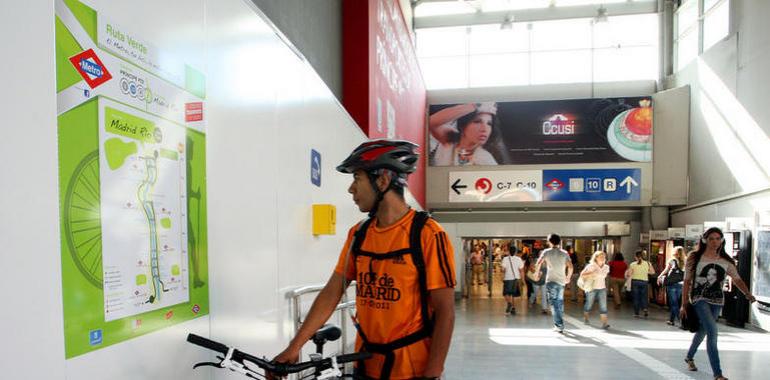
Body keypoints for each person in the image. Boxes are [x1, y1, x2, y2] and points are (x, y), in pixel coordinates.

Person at [271, 139, 456, 380]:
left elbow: (445, 311)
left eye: (357, 178)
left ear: (382, 180)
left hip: (412, 370)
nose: (351, 189)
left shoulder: (428, 235)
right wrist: (295, 347)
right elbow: (332, 292)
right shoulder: (359, 234)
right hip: (365, 364)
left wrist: (432, 372)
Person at [681, 227, 756, 380]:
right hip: (699, 298)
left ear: (721, 240)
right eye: (711, 239)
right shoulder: (694, 257)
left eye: (717, 238)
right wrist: (683, 304)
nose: (714, 242)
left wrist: (747, 294)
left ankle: (689, 357)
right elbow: (687, 281)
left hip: (717, 300)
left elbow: (737, 279)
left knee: (703, 330)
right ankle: (718, 373)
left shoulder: (726, 261)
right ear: (704, 240)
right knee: (713, 332)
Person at [428, 102, 507, 166]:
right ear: (463, 125)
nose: (484, 129)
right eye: (477, 122)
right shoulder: (450, 139)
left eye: (489, 124)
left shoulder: (486, 160)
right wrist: (473, 105)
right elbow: (430, 122)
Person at [534, 234, 573, 333]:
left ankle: (559, 325)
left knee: (554, 303)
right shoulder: (564, 253)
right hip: (561, 281)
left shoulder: (546, 252)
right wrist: (568, 277)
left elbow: (538, 263)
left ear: (549, 242)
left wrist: (536, 274)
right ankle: (559, 323)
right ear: (559, 241)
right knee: (559, 302)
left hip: (551, 280)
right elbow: (571, 266)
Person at [579, 251, 611, 329]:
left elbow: (603, 276)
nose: (603, 258)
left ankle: (605, 323)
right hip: (591, 288)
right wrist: (591, 273)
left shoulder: (606, 267)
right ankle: (586, 318)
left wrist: (596, 273)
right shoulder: (591, 266)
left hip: (602, 288)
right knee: (589, 304)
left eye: (604, 257)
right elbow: (582, 274)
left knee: (603, 306)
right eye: (601, 257)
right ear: (596, 258)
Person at [657, 246, 686, 326]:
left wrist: (659, 276)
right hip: (681, 284)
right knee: (676, 303)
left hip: (672, 284)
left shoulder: (672, 260)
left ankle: (681, 321)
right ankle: (671, 320)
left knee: (674, 304)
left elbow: (666, 270)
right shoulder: (686, 261)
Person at [627, 250, 655, 318]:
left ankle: (636, 313)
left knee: (636, 297)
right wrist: (645, 272)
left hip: (635, 282)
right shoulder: (648, 263)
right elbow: (652, 272)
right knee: (644, 297)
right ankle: (645, 309)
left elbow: (629, 274)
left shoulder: (632, 264)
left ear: (636, 257)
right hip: (644, 282)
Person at [501, 244, 525, 315]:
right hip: (516, 279)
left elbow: (503, 269)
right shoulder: (519, 259)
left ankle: (509, 303)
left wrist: (502, 276)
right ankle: (513, 308)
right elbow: (521, 270)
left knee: (505, 293)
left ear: (509, 251)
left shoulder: (505, 259)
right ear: (515, 252)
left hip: (508, 278)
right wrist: (523, 280)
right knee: (513, 294)